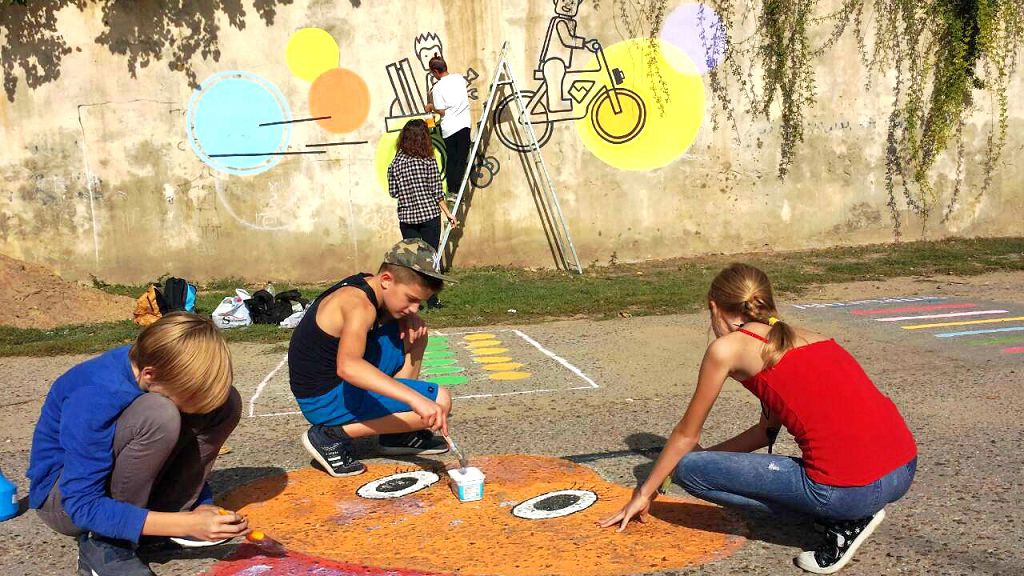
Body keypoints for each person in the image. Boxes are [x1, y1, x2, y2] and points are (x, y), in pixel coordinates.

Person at [600, 263, 917, 574]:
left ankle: (845, 521)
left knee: (686, 469)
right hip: (903, 470)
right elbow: (764, 433)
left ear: (714, 308)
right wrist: (709, 460)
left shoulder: (726, 349)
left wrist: (645, 493)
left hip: (850, 491)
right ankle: (847, 510)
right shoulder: (805, 337)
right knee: (695, 463)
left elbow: (686, 436)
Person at [27, 313, 246, 576]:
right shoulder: (94, 395)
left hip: (119, 486)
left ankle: (166, 514)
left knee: (226, 402)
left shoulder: (158, 365)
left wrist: (201, 504)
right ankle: (108, 543)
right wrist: (184, 525)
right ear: (149, 374)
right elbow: (81, 504)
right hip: (66, 503)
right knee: (158, 414)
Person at [289, 239, 454, 478]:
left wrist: (406, 317)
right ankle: (330, 435)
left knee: (417, 332)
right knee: (440, 402)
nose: (415, 308)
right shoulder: (358, 305)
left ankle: (396, 434)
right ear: (386, 279)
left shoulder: (369, 284)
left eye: (420, 303)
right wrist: (416, 400)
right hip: (323, 399)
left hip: (332, 383)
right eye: (411, 299)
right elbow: (348, 366)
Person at [388, 119, 458, 309]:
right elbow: (437, 192)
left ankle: (413, 300)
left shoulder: (395, 164)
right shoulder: (428, 160)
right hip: (429, 215)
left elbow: (393, 192)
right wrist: (449, 214)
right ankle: (432, 300)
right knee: (429, 258)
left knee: (412, 261)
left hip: (407, 217)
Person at [424, 55, 471, 198]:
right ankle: (457, 190)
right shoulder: (459, 79)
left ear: (435, 71)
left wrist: (430, 107)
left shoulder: (437, 88)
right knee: (461, 158)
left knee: (452, 159)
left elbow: (441, 111)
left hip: (450, 128)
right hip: (465, 125)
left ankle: (452, 190)